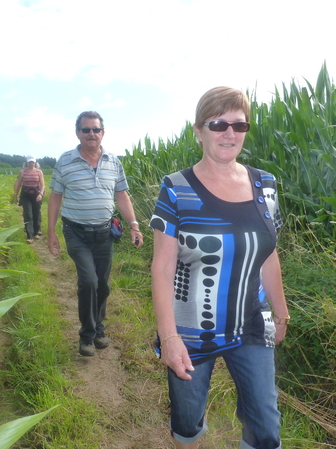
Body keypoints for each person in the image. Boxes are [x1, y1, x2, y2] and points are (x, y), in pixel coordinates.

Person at [149, 86, 288, 449]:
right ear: (198, 130)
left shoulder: (265, 186)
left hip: (252, 324)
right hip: (190, 330)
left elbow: (269, 254)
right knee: (187, 418)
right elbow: (162, 268)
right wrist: (169, 338)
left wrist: (282, 312)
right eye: (218, 124)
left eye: (239, 125)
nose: (229, 133)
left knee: (266, 428)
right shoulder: (176, 188)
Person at [47, 111, 144, 357]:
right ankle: (87, 335)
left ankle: (100, 328)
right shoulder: (65, 161)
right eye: (86, 129)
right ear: (77, 133)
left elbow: (122, 194)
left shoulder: (113, 161)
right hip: (75, 232)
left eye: (95, 129)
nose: (91, 134)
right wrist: (51, 232)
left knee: (102, 285)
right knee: (88, 281)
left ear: (103, 133)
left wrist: (134, 225)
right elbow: (55, 196)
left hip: (104, 234)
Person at [14, 156, 45, 242]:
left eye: (32, 162)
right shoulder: (22, 172)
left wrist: (41, 194)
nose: (31, 163)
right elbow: (18, 184)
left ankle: (36, 232)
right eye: (29, 162)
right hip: (26, 195)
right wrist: (15, 195)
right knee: (28, 214)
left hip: (36, 194)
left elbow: (42, 185)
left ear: (35, 163)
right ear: (26, 163)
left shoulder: (39, 172)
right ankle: (30, 236)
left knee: (36, 213)